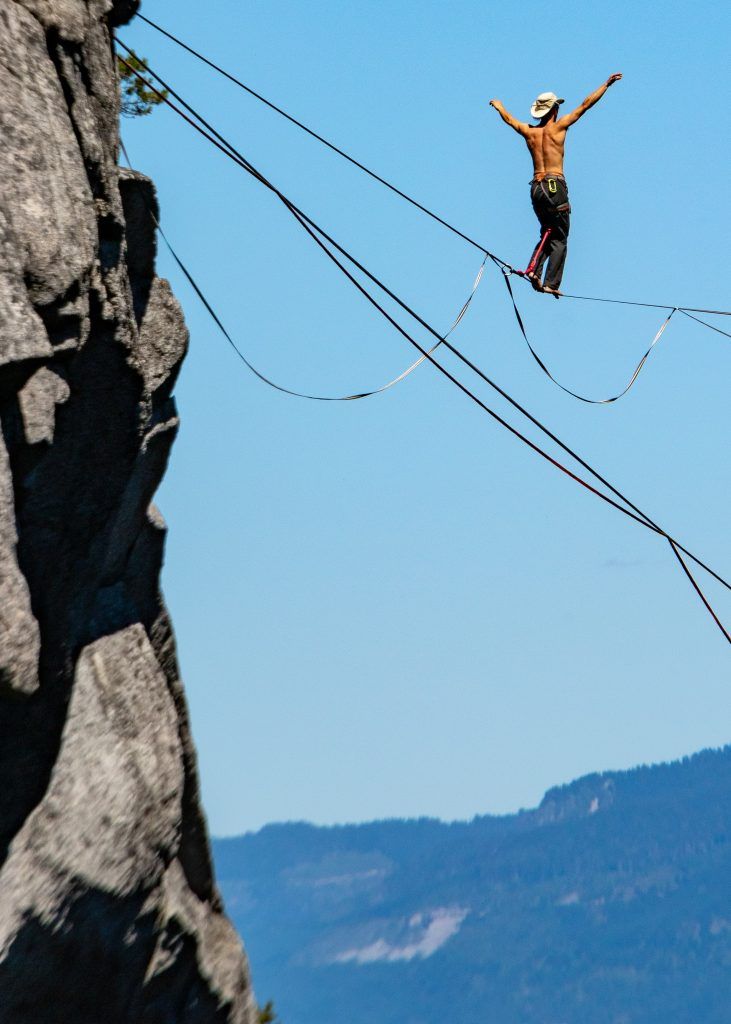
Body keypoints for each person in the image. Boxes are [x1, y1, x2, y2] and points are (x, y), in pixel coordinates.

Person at [489, 75, 623, 297]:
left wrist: (499, 106)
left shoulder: (529, 132)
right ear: (554, 111)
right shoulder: (559, 128)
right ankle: (551, 283)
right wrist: (606, 85)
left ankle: (534, 271)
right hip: (554, 185)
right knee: (560, 236)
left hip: (536, 188)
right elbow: (585, 105)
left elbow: (509, 120)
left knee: (547, 232)